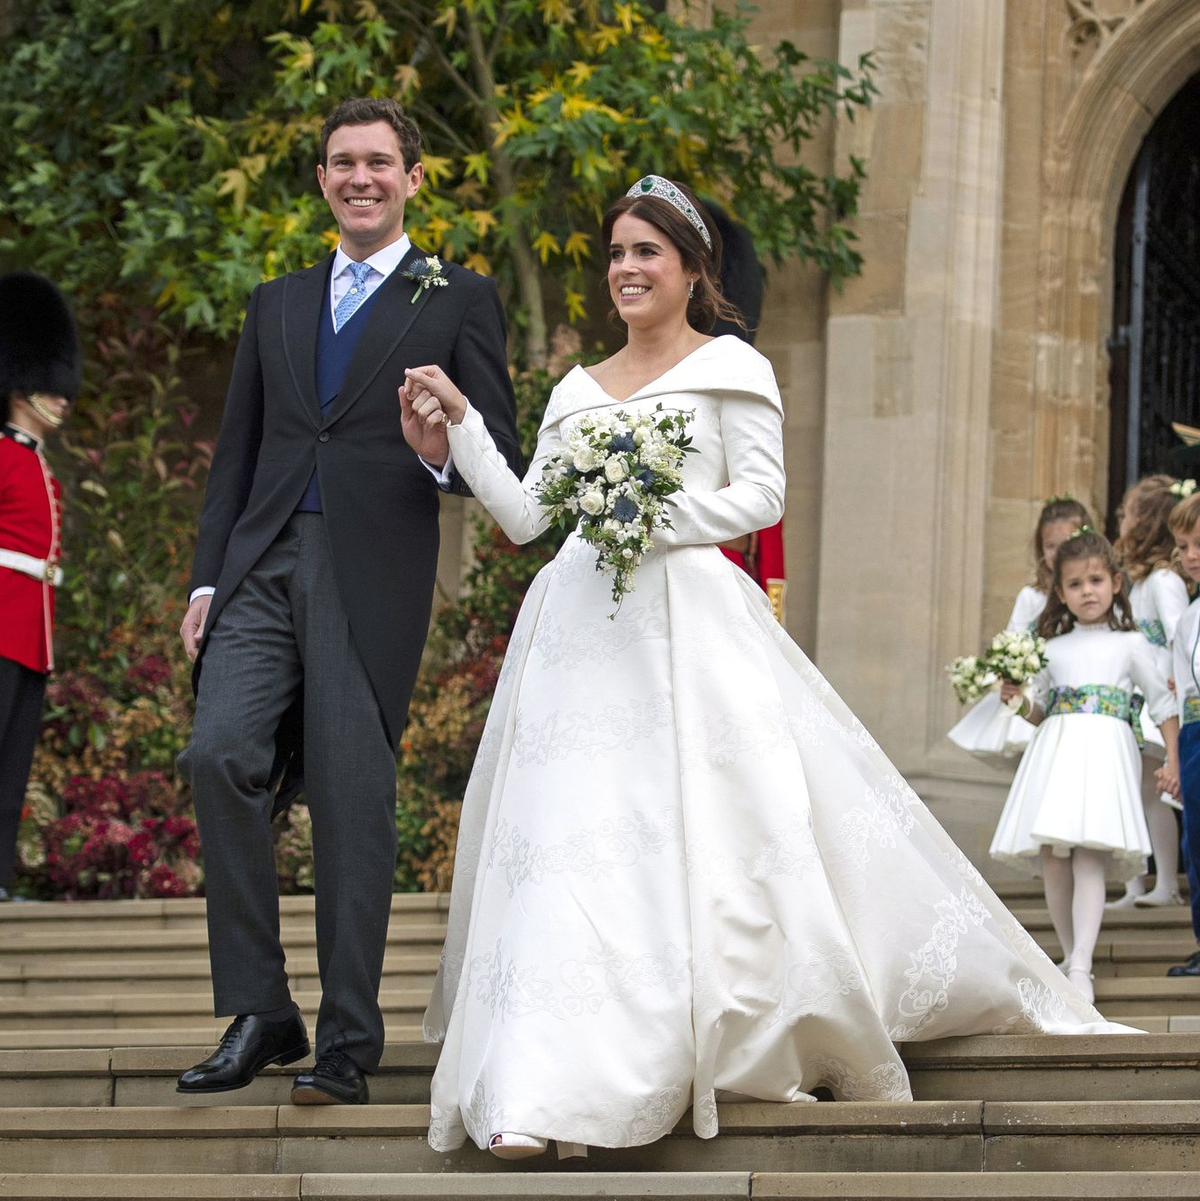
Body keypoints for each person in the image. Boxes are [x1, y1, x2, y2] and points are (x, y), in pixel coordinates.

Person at [401, 176, 1134, 1161]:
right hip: (578, 635)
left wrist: (644, 517)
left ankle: (650, 1062)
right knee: (571, 850)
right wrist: (459, 433)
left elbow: (760, 496)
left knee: (685, 844)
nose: (626, 268)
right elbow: (531, 515)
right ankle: (539, 1090)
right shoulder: (577, 389)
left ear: (693, 268)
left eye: (646, 252)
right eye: (616, 252)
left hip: (688, 627)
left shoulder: (733, 368)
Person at [174, 97, 521, 1105]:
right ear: (323, 179)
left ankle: (346, 1044)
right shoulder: (275, 301)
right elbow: (235, 454)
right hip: (260, 562)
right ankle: (261, 1007)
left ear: (414, 177)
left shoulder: (457, 297)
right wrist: (206, 576)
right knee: (217, 753)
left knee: (351, 802)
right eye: (341, 162)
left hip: (371, 572)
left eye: (378, 162)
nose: (359, 177)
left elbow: (493, 458)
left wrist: (439, 454)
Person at [989, 529, 1179, 1003]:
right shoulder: (1051, 648)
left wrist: (1172, 757)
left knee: (1089, 855)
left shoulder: (1132, 644)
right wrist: (1017, 699)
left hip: (1104, 754)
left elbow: (1161, 705)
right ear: (1060, 593)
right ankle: (1072, 955)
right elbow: (1042, 711)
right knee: (1055, 858)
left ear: (1116, 583)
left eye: (1096, 580)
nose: (1087, 591)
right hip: (1057, 752)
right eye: (1075, 584)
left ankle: (1082, 965)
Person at [0, 272, 79, 903]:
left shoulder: (34, 460)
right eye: (51, 387)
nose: (63, 400)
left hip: (30, 632)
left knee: (11, 770)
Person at [948, 498, 1091, 766]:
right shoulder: (1031, 596)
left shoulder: (1090, 595)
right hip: (1037, 689)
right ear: (1040, 548)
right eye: (1050, 546)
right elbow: (1014, 637)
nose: (1059, 553)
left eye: (1067, 543)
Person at [1109, 475, 1191, 909]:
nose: (1120, 522)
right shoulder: (1139, 582)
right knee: (1142, 788)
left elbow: (1184, 636)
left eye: (1128, 515)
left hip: (1163, 696)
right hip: (1143, 694)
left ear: (1146, 524)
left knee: (1156, 788)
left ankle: (1166, 883)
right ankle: (1139, 881)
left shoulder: (1163, 582)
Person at [1163, 492, 1200, 976]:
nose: (1192, 555)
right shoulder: (1188, 616)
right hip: (1193, 732)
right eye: (1184, 546)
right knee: (1196, 839)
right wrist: (1173, 758)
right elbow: (1177, 690)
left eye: (1199, 543)